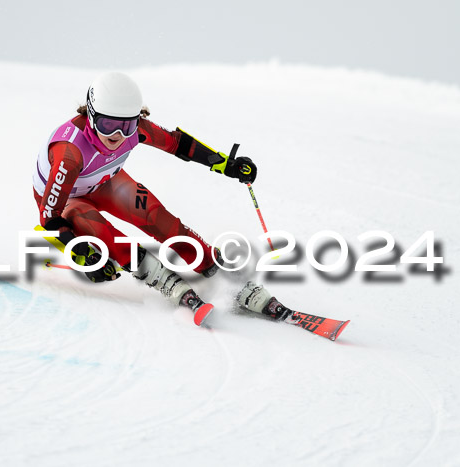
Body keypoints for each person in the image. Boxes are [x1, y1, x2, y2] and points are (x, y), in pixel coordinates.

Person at [33, 72, 280, 322]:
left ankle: (223, 276)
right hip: (67, 201)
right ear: (91, 115)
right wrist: (81, 253)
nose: (117, 135)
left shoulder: (135, 130)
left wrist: (225, 164)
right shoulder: (69, 153)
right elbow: (49, 219)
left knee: (159, 219)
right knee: (100, 230)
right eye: (108, 125)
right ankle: (163, 280)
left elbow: (177, 143)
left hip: (105, 181)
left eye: (127, 125)